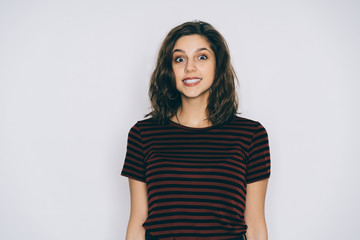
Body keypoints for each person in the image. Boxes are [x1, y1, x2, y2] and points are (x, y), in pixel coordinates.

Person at [121, 20, 271, 240]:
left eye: (202, 57)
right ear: (169, 69)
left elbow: (255, 225)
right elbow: (137, 223)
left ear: (218, 64)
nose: (190, 67)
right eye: (179, 59)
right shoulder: (143, 135)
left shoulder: (251, 135)